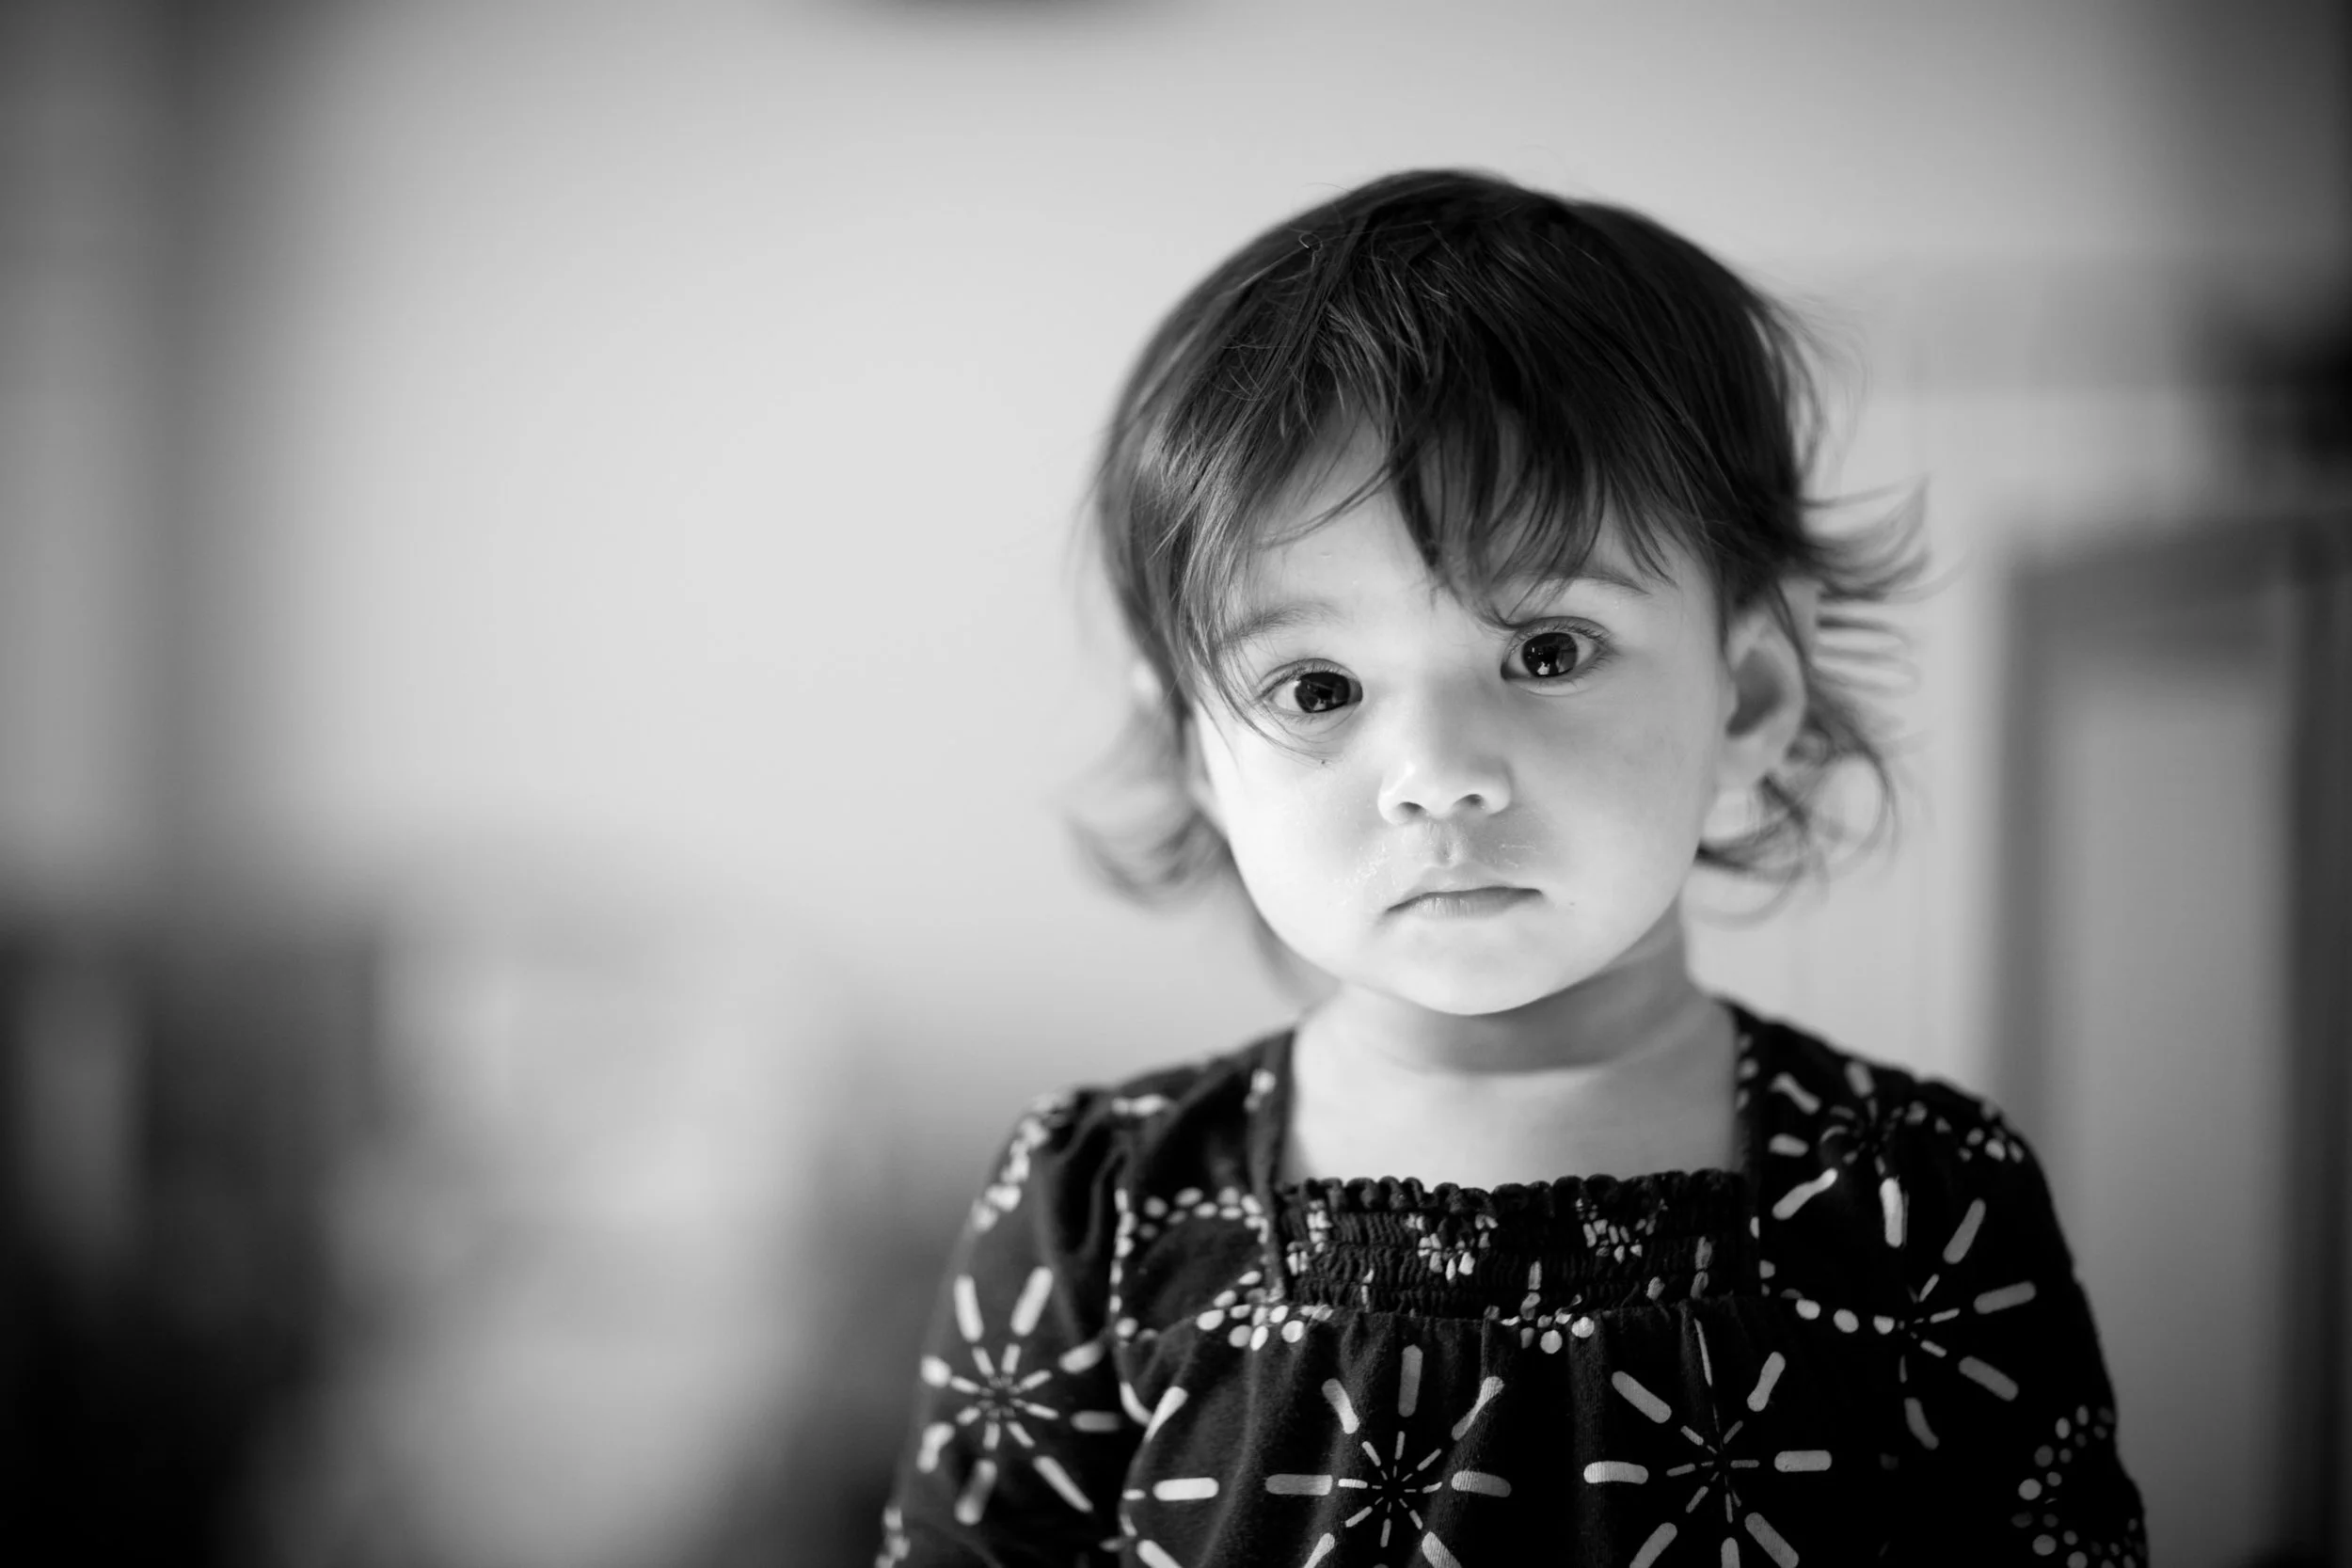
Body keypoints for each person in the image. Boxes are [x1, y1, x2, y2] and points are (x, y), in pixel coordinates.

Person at [877, 170, 2145, 1566]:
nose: (1439, 768)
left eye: (1546, 650)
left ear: (1749, 699)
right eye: (1314, 687)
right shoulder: (1096, 1210)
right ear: (1192, 747)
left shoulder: (1921, 1200)